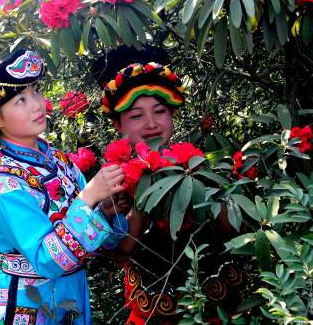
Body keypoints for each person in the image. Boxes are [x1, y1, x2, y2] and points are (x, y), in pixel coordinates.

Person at [0, 49, 127, 325]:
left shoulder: (61, 162)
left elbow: (98, 246)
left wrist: (107, 210)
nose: (37, 105)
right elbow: (48, 260)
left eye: (35, 91)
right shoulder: (0, 186)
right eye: (20, 100)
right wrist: (89, 197)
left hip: (70, 299)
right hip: (27, 305)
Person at [92, 45, 248, 325]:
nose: (151, 124)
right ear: (118, 124)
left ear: (172, 114)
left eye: (160, 111)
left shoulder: (194, 163)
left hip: (216, 302)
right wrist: (138, 198)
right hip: (152, 304)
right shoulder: (109, 180)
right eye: (137, 116)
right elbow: (123, 250)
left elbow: (231, 229)